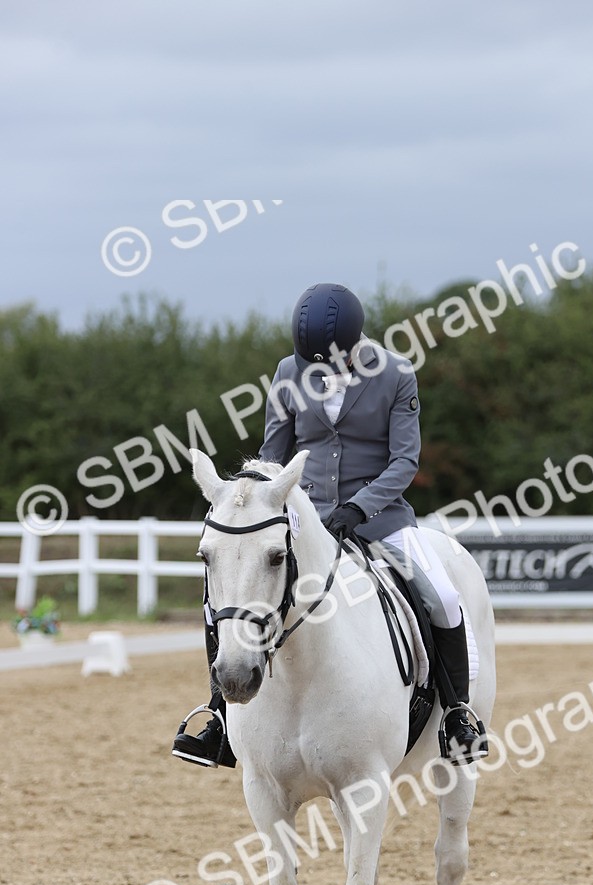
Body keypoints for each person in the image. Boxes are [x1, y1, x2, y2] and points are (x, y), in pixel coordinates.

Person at [172, 282, 486, 768]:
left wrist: (358, 508)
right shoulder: (287, 372)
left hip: (380, 518)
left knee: (442, 596)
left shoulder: (397, 374)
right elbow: (272, 455)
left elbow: (405, 461)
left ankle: (457, 715)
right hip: (302, 517)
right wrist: (261, 499)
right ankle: (217, 713)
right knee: (234, 591)